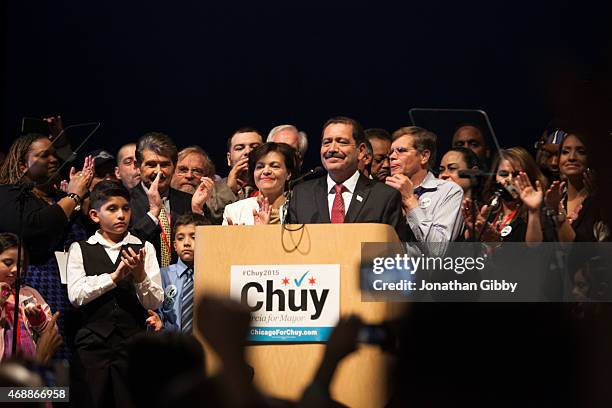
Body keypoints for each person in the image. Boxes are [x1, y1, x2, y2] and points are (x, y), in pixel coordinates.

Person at [67, 180, 164, 408]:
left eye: (126, 208)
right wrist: (113, 278)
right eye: (112, 209)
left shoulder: (144, 247)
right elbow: (76, 295)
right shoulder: (81, 248)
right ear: (94, 215)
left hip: (132, 343)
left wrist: (140, 275)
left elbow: (155, 300)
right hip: (92, 344)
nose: (121, 215)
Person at [0, 133, 93, 359]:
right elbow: (33, 228)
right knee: (48, 366)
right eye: (43, 155)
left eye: (55, 154)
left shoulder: (61, 199)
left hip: (73, 293)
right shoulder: (10, 195)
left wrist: (82, 200)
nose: (53, 159)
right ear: (22, 164)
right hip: (37, 288)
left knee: (73, 373)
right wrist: (73, 195)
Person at [287, 116, 408, 240]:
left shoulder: (384, 196)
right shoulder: (301, 194)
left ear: (361, 151)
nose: (332, 149)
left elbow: (396, 251)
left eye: (342, 142)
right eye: (327, 142)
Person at [129, 132, 212, 267]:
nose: (159, 171)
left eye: (165, 164)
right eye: (151, 164)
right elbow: (126, 245)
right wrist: (153, 214)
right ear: (137, 166)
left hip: (184, 282)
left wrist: (196, 211)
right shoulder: (126, 201)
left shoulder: (189, 202)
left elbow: (210, 248)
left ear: (174, 166)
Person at [386, 126, 464, 243]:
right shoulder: (384, 192)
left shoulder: (449, 191)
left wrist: (409, 200)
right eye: (391, 152)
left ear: (424, 156)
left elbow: (438, 250)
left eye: (401, 150)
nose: (392, 157)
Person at [0, 232, 62, 363]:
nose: (16, 269)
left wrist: (38, 320)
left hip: (29, 363)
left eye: (20, 265)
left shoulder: (28, 293)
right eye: (8, 262)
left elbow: (52, 333)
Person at [462, 147, 547, 243]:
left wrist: (533, 211)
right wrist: (474, 232)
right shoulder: (488, 213)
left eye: (516, 175)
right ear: (495, 178)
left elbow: (534, 249)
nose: (509, 179)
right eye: (504, 174)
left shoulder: (536, 215)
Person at [544, 133, 609, 242]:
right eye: (565, 152)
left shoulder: (601, 202)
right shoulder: (554, 198)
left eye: (581, 152)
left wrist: (558, 213)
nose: (572, 157)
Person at [157, 212, 209, 332]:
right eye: (180, 238)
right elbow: (158, 312)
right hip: (172, 344)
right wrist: (158, 322)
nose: (186, 243)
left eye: (193, 237)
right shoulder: (163, 275)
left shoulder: (213, 273)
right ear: (175, 245)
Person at [223, 142, 297, 225]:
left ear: (288, 174)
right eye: (260, 167)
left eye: (275, 166)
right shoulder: (234, 211)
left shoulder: (300, 210)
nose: (266, 171)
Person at [206, 128, 263, 224]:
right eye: (240, 148)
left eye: (255, 147)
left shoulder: (273, 184)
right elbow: (211, 222)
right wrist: (229, 190)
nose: (247, 152)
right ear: (229, 158)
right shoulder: (212, 189)